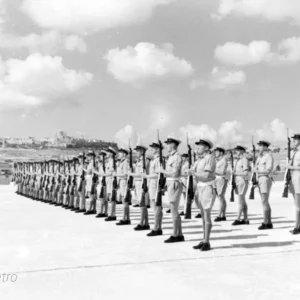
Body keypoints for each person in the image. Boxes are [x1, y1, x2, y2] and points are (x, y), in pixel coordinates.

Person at [188, 139, 216, 251]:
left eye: (200, 146)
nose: (197, 148)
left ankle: (207, 242)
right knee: (203, 217)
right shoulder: (199, 160)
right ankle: (204, 239)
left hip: (207, 187)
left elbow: (206, 175)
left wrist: (193, 173)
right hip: (199, 188)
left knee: (207, 215)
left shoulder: (209, 159)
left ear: (207, 148)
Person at [158, 137, 184, 243]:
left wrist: (162, 171)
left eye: (168, 144)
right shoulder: (171, 157)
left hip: (174, 183)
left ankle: (175, 234)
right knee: (174, 210)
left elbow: (175, 173)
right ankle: (180, 234)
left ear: (173, 145)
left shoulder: (176, 157)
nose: (166, 146)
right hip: (170, 183)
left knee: (174, 211)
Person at [253, 141, 274, 230]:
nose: (259, 148)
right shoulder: (260, 156)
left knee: (264, 202)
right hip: (260, 179)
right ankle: (269, 222)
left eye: (261, 146)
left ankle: (266, 222)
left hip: (265, 178)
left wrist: (257, 171)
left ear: (265, 147)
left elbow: (268, 170)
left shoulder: (268, 156)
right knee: (265, 202)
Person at [129, 145, 150, 230]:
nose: (136, 152)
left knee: (142, 204)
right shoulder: (139, 161)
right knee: (142, 204)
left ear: (142, 151)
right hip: (138, 183)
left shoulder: (145, 161)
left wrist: (131, 174)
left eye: (138, 151)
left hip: (142, 183)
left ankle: (142, 223)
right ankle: (146, 223)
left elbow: (141, 174)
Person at [146, 142, 163, 236]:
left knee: (157, 207)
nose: (151, 149)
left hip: (155, 185)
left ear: (157, 149)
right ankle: (158, 227)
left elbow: (158, 174)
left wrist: (147, 176)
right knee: (156, 207)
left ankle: (156, 228)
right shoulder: (154, 160)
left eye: (153, 148)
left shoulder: (158, 160)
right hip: (152, 184)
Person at [232, 145, 250, 226]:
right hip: (237, 180)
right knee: (242, 201)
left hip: (242, 180)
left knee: (240, 200)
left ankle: (238, 218)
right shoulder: (237, 160)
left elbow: (246, 173)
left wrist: (236, 173)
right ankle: (246, 219)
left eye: (238, 150)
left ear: (242, 151)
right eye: (236, 150)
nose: (237, 151)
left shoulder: (244, 159)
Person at [287, 134, 300, 234]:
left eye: (295, 140)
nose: (293, 141)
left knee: (298, 205)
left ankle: (297, 226)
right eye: (293, 140)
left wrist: (292, 167)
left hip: (299, 179)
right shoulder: (293, 152)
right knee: (296, 203)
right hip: (293, 179)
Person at [115, 148, 130, 225]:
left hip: (124, 182)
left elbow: (125, 174)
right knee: (124, 201)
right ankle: (126, 218)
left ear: (124, 154)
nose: (118, 154)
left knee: (125, 201)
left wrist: (116, 175)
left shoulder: (125, 162)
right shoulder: (121, 162)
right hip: (121, 182)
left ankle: (125, 218)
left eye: (120, 153)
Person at [214, 147, 228, 222]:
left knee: (221, 197)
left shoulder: (223, 160)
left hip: (221, 179)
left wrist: (213, 171)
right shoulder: (217, 160)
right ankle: (223, 215)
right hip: (216, 179)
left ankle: (220, 215)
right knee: (221, 198)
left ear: (221, 153)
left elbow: (222, 172)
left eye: (217, 152)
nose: (215, 153)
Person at [105, 146, 118, 221]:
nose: (107, 153)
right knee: (110, 197)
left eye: (108, 152)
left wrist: (104, 174)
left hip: (111, 180)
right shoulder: (109, 161)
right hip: (108, 180)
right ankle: (111, 214)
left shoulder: (112, 161)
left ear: (111, 154)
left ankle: (112, 214)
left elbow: (111, 172)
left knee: (112, 198)